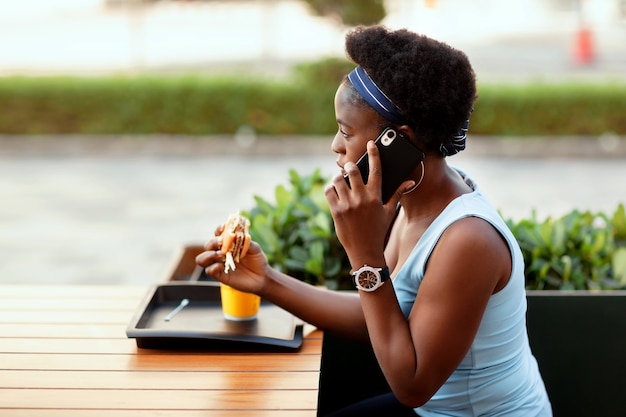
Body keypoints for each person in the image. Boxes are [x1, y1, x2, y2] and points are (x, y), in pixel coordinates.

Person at [195, 25, 552, 416]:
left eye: (345, 131)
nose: (335, 144)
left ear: (396, 141)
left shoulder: (468, 240)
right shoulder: (409, 200)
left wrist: (364, 253)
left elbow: (413, 385)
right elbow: (382, 318)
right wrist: (266, 281)